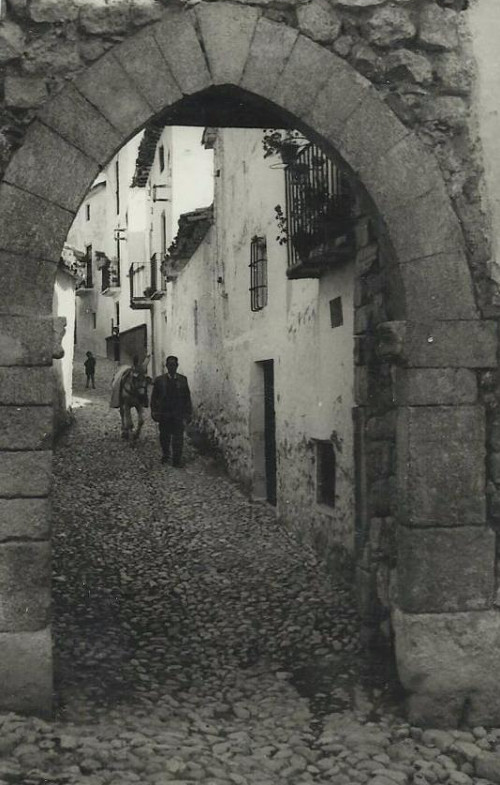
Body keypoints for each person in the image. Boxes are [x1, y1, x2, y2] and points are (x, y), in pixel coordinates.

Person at [151, 356, 192, 467]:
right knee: (164, 436)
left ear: (177, 366)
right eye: (170, 365)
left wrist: (188, 413)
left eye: (174, 365)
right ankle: (166, 454)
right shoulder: (159, 380)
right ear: (166, 366)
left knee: (178, 437)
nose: (172, 367)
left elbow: (187, 397)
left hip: (178, 413)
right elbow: (154, 398)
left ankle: (176, 459)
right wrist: (154, 411)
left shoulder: (183, 380)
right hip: (164, 413)